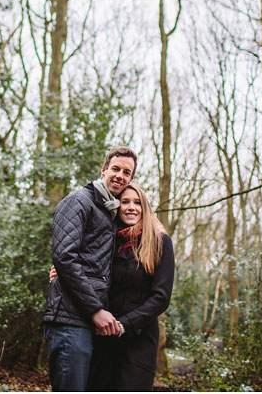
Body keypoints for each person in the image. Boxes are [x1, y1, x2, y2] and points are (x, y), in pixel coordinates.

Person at [51, 183, 175, 390]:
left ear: (145, 208)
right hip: (103, 337)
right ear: (117, 207)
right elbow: (84, 267)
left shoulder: (160, 242)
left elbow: (161, 298)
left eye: (137, 203)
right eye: (125, 202)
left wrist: (124, 324)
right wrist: (60, 273)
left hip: (139, 338)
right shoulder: (109, 241)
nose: (131, 207)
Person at [42, 146, 137, 391]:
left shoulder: (111, 213)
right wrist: (96, 309)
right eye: (115, 169)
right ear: (103, 169)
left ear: (131, 179)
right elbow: (64, 258)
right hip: (69, 320)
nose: (120, 175)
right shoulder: (79, 202)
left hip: (90, 325)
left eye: (127, 173)